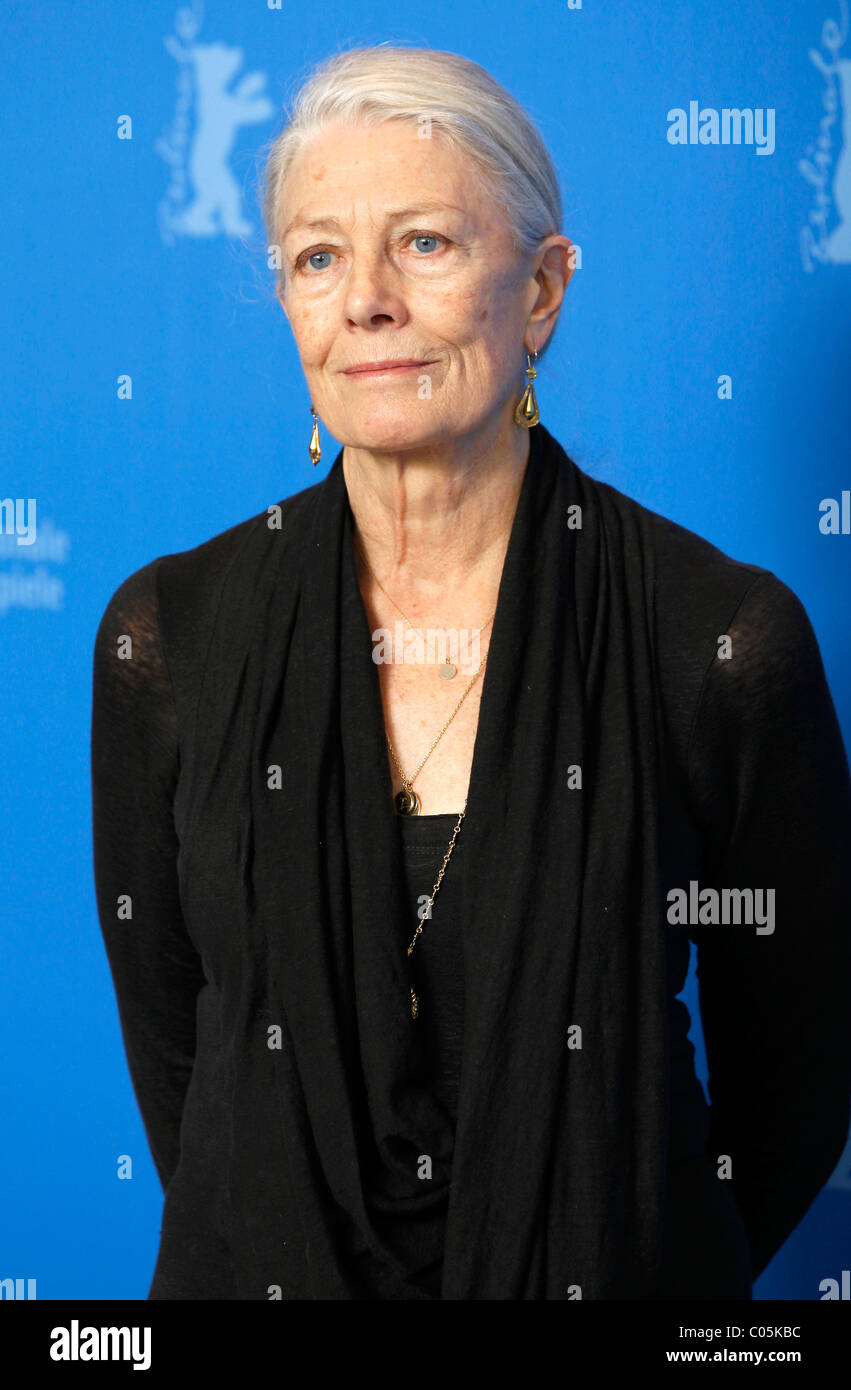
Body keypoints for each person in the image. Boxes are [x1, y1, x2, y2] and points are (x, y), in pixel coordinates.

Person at [90, 44, 851, 1300]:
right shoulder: (168, 633)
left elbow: (796, 1081)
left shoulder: (720, 640)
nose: (367, 302)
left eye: (425, 244)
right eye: (319, 256)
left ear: (542, 292)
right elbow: (179, 1052)